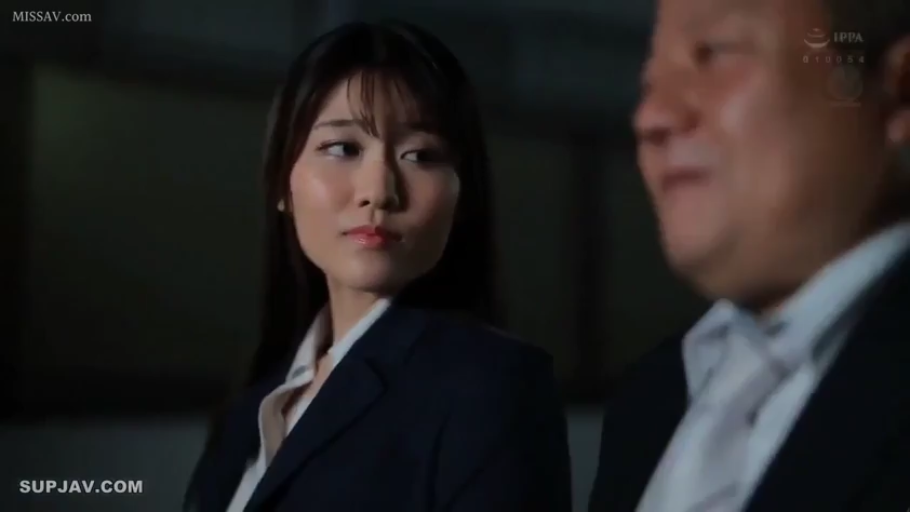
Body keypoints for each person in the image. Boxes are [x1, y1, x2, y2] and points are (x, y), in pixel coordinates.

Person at [184, 21, 572, 512]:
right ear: (283, 182)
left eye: (421, 155)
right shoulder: (253, 406)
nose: (379, 191)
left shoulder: (491, 388)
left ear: (462, 193)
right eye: (342, 148)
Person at [588, 0, 910, 510]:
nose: (652, 117)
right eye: (649, 83)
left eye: (714, 53)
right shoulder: (650, 398)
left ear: (897, 90)